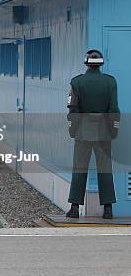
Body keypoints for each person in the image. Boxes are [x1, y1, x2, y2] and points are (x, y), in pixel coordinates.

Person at [66, 49, 120, 219]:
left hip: (83, 130)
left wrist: (72, 129)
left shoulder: (77, 82)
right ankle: (108, 208)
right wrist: (113, 130)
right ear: (101, 63)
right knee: (105, 169)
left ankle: (74, 207)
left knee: (79, 168)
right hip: (103, 130)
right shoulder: (110, 82)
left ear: (86, 63)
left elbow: (73, 109)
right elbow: (114, 110)